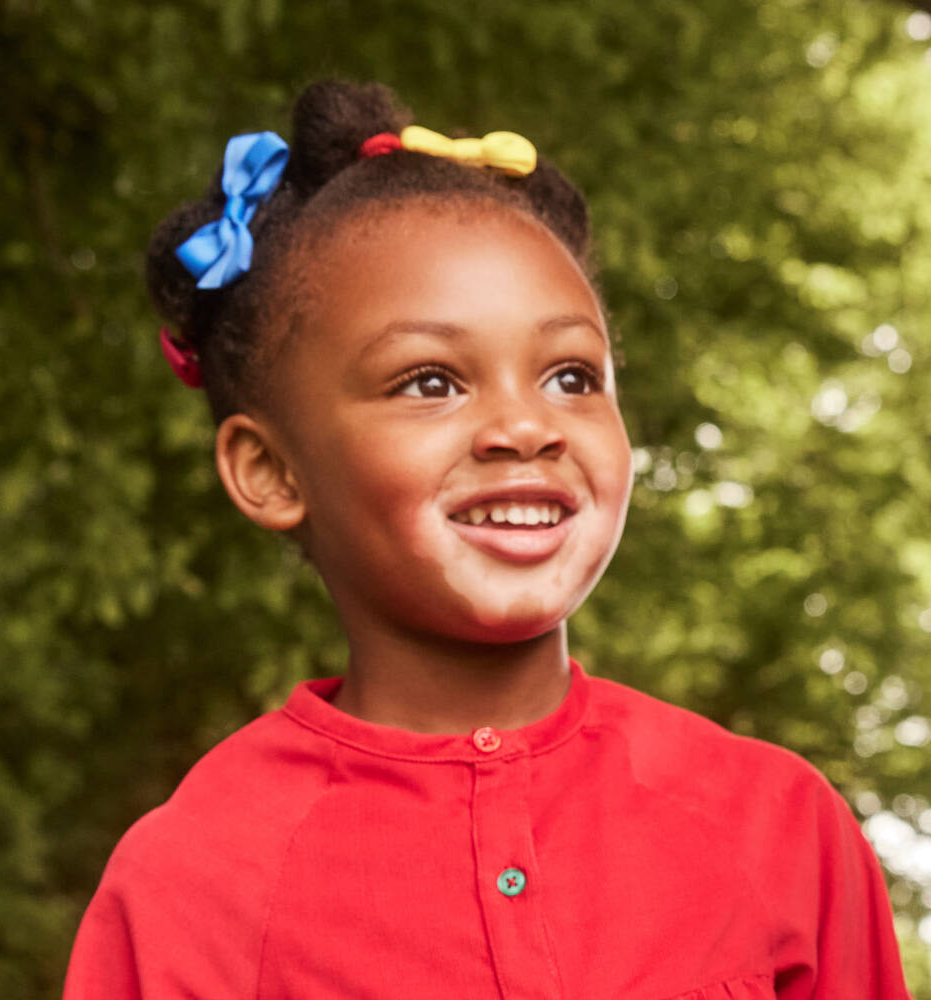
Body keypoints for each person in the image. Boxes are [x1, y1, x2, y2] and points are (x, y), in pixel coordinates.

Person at [63, 79, 911, 999]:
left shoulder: (782, 828)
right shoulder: (189, 882)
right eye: (430, 382)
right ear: (271, 471)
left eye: (572, 376)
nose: (526, 427)